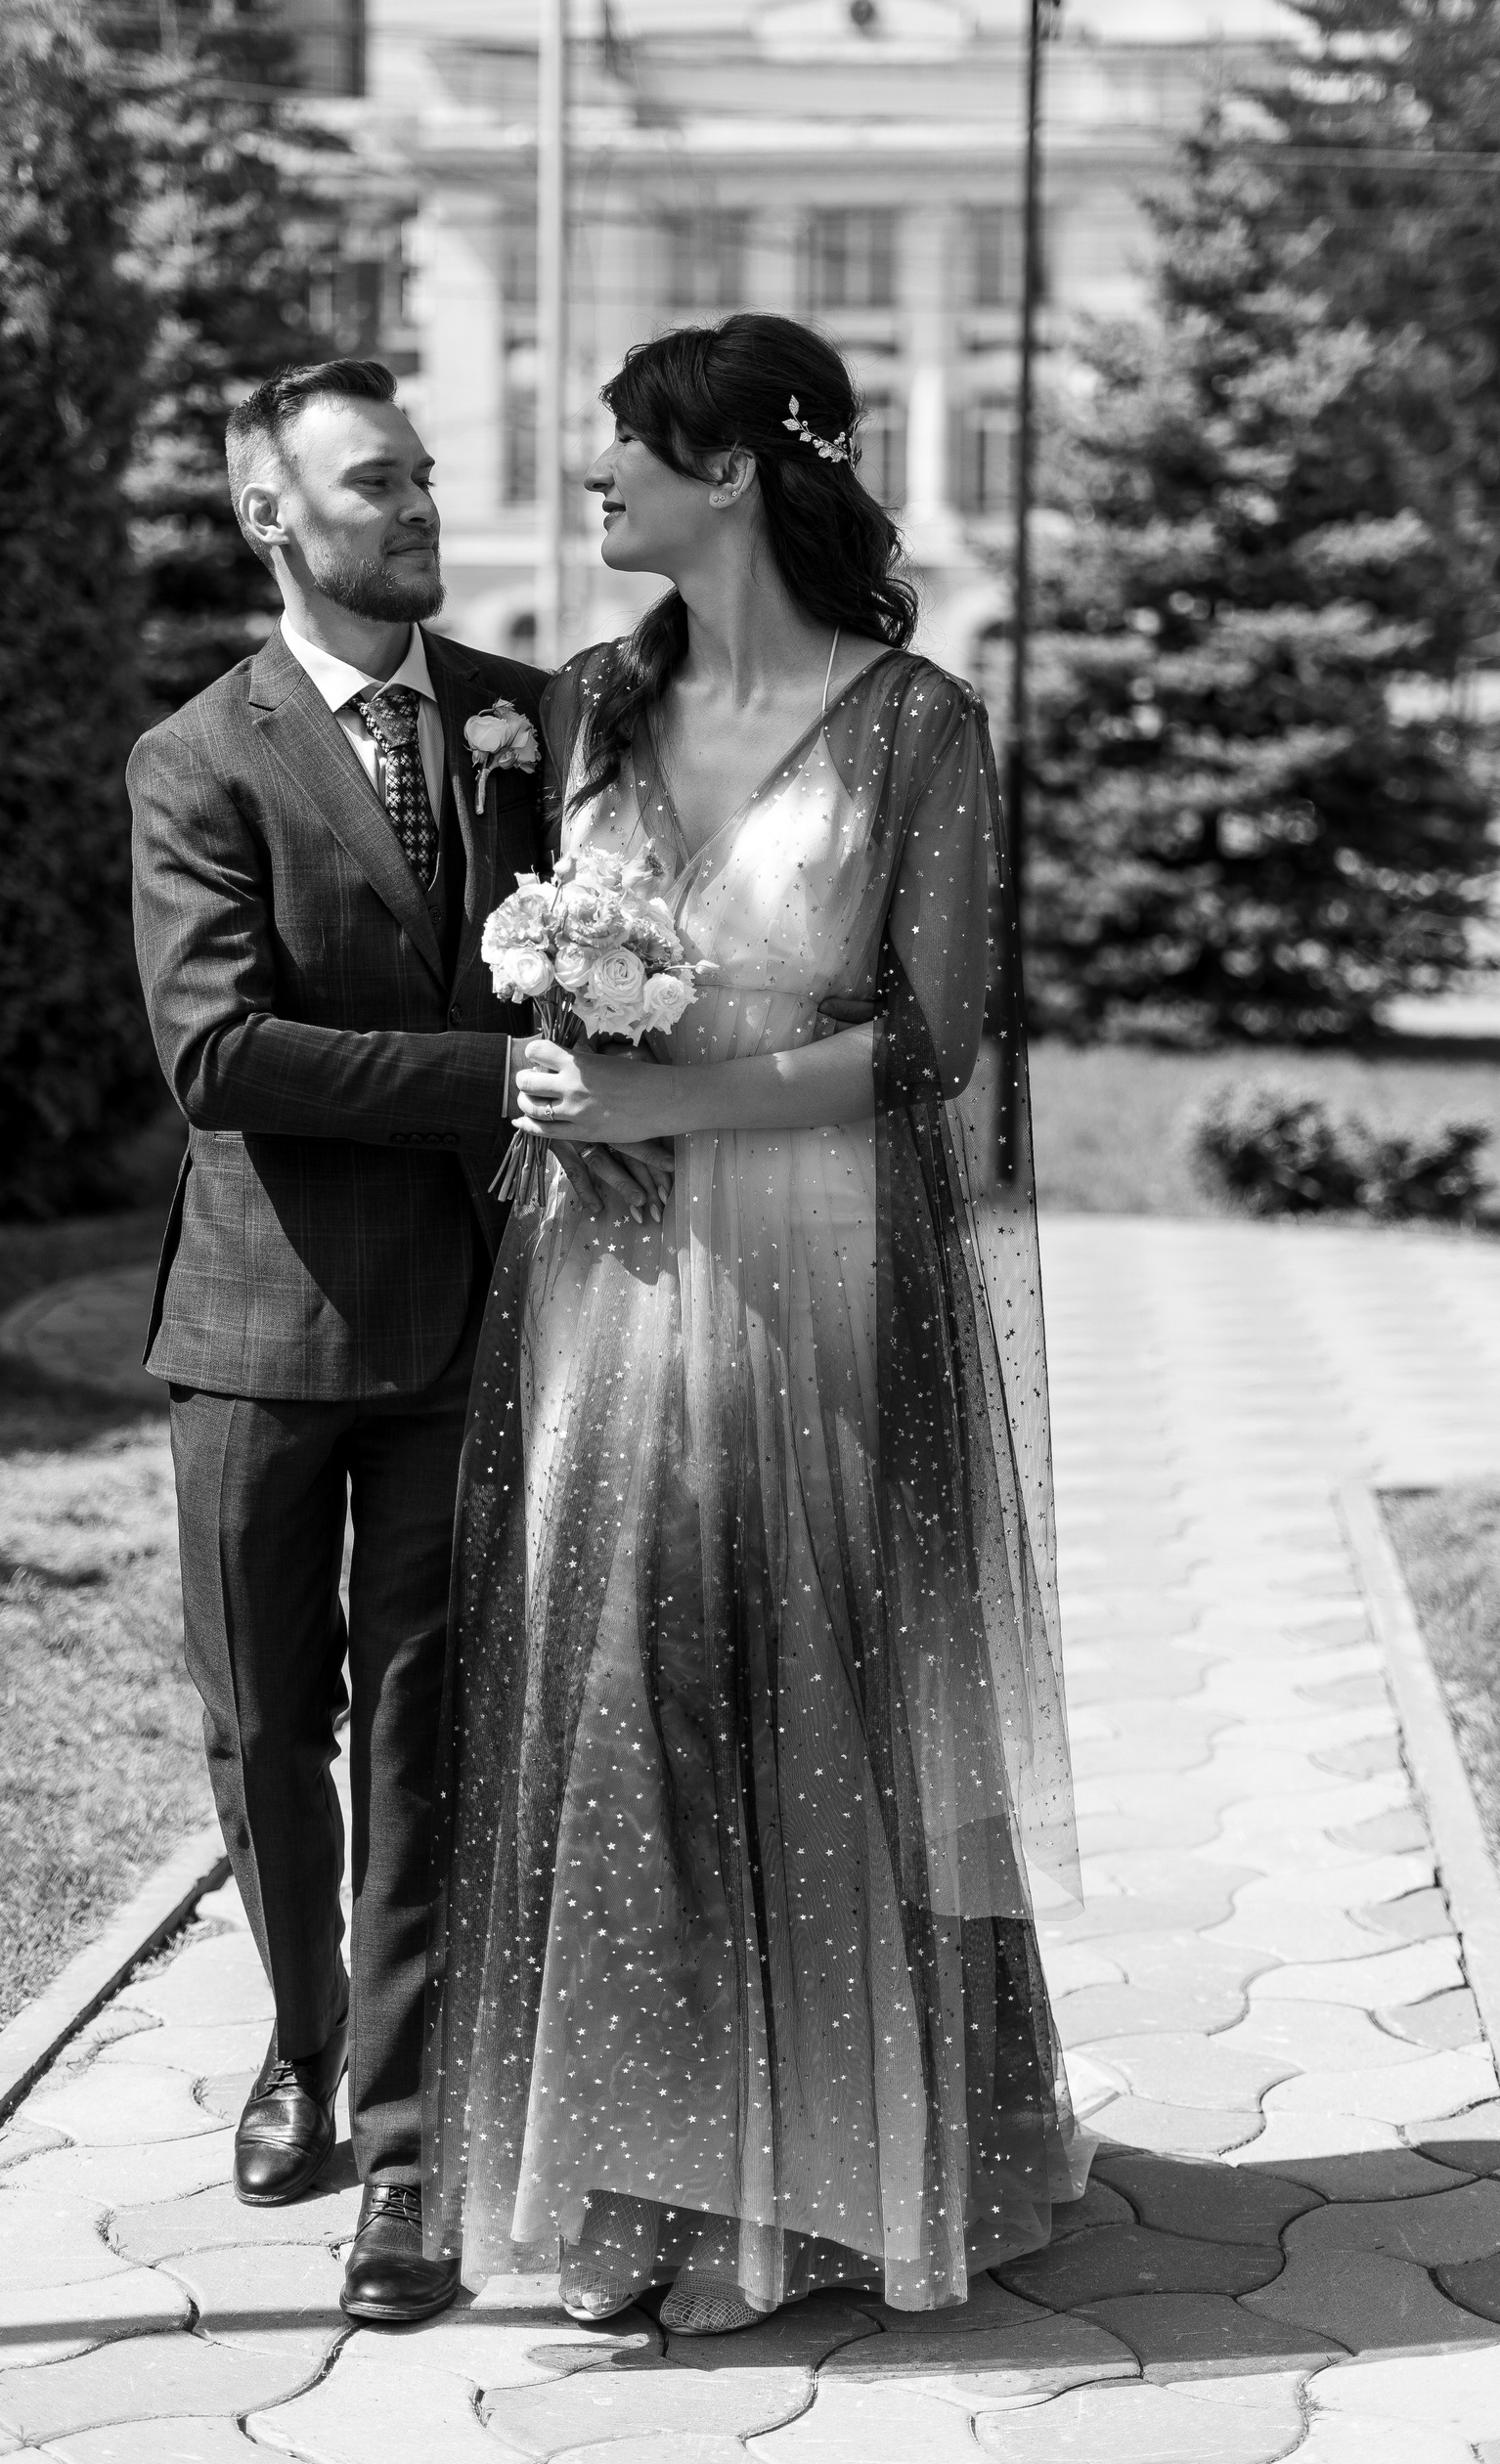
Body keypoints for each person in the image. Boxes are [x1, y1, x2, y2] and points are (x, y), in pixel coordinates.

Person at [422, 314, 1088, 2335]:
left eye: (627, 441)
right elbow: (551, 970)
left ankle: (822, 2196)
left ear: (732, 471)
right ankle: (638, 2182)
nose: (595, 471)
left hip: (815, 1261)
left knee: (805, 1680)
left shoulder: (920, 725)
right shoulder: (591, 703)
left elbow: (935, 1037)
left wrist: (676, 1101)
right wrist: (563, 1079)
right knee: (620, 1682)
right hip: (608, 1274)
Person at [127, 357, 662, 2328]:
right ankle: (301, 2039)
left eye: (426, 474)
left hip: (471, 1321)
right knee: (265, 1725)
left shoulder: (533, 721)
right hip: (257, 1329)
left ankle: (417, 2156)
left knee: (431, 1735)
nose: (420, 504)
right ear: (271, 514)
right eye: (375, 482)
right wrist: (487, 1073)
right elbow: (218, 1051)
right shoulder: (199, 758)